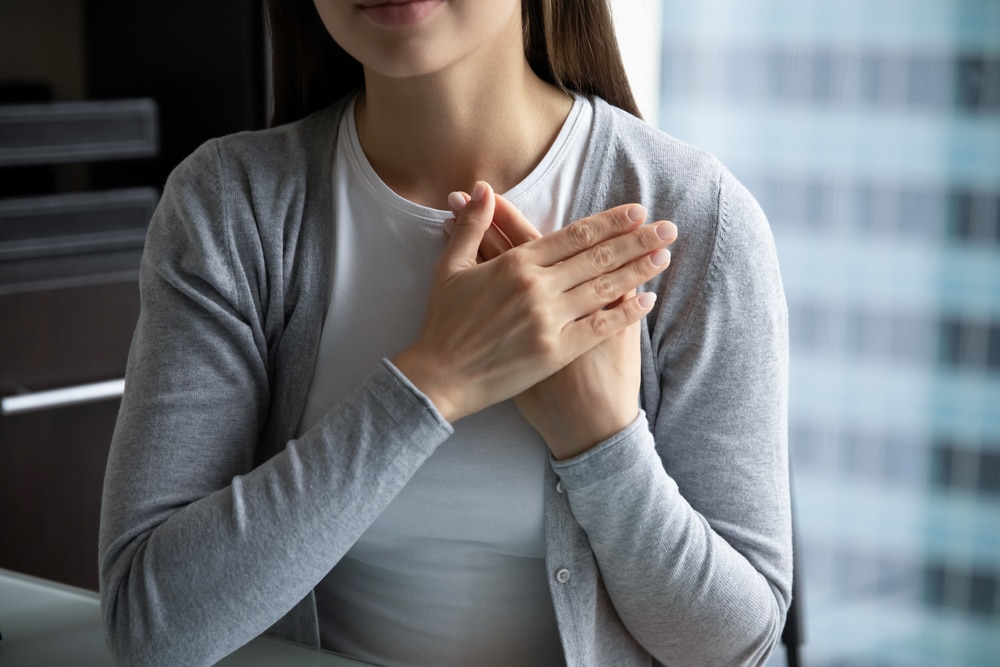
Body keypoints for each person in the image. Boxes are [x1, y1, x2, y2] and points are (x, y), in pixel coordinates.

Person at [98, 0, 792, 665]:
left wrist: (602, 445)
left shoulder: (698, 220)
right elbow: (150, 629)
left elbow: (732, 647)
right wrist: (435, 380)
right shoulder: (229, 208)